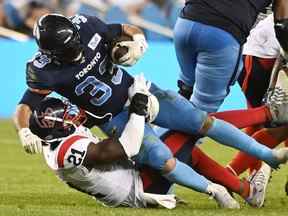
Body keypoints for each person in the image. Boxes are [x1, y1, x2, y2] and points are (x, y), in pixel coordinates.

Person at [13, 13, 288, 205]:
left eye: (75, 44)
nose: (76, 52)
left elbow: (124, 29)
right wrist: (24, 130)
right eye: (67, 51)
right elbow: (27, 104)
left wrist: (138, 42)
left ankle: (268, 156)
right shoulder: (42, 70)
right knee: (162, 157)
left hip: (139, 90)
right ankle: (216, 190)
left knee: (201, 122)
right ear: (49, 53)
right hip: (114, 118)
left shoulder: (84, 25)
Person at [30, 97, 275, 208]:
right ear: (57, 128)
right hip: (141, 187)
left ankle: (247, 191)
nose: (72, 115)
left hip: (135, 184)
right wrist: (137, 110)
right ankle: (269, 113)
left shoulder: (56, 143)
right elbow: (127, 147)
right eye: (65, 116)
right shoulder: (68, 150)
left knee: (188, 153)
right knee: (194, 125)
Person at [174, 0, 288, 113]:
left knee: (185, 92)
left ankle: (159, 128)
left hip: (186, 22)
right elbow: (282, 25)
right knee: (201, 114)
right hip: (223, 36)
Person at [225, 14, 288, 178]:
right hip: (257, 61)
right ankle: (230, 176)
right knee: (271, 122)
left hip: (259, 56)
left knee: (272, 123)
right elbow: (284, 57)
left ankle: (235, 176)